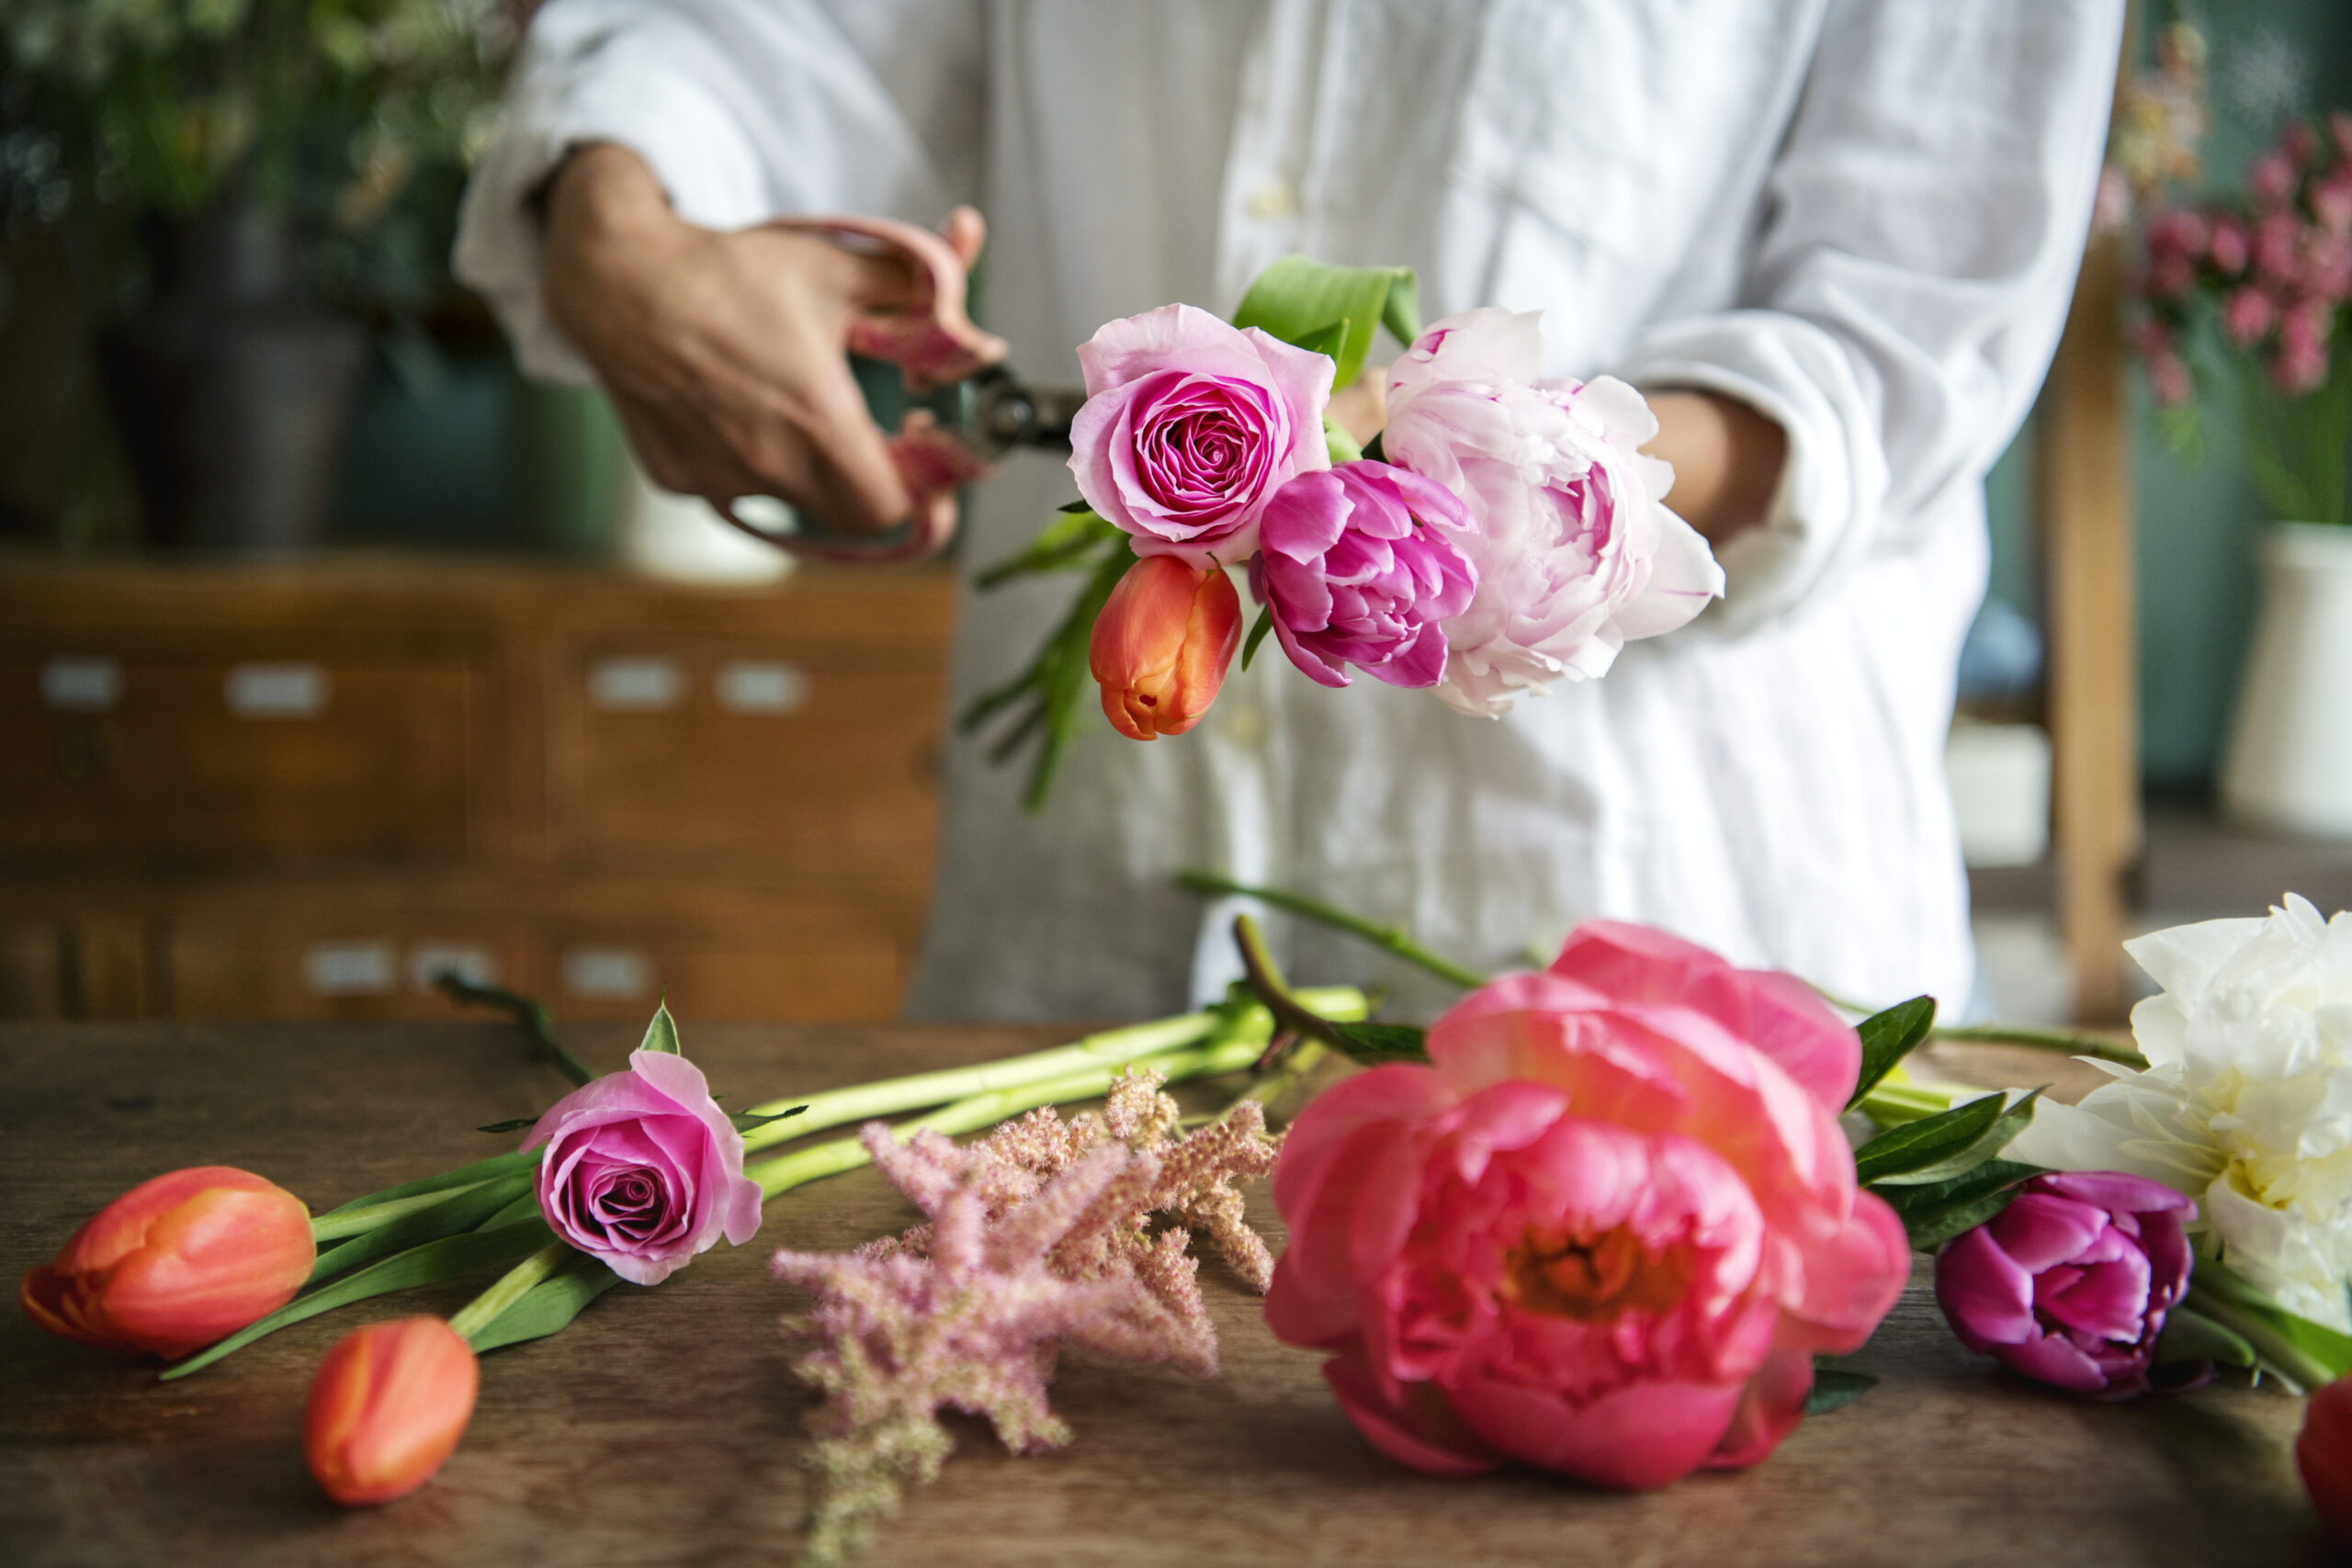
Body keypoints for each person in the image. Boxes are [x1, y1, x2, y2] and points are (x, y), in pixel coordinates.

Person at [457, 0, 2124, 1020]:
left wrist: (1492, 480)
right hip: (1074, 946)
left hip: (1662, 942)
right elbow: (772, 35)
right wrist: (621, 221)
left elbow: (1902, 339)